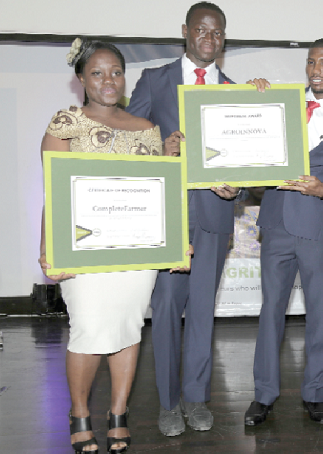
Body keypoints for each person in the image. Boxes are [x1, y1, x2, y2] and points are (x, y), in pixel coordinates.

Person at [39, 38, 164, 454]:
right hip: (84, 252)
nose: (108, 80)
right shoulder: (65, 124)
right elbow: (52, 194)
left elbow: (157, 195)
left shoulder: (147, 130)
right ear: (81, 79)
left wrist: (173, 246)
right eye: (97, 72)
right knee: (89, 331)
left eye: (115, 72)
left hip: (136, 252)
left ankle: (118, 414)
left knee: (129, 329)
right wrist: (48, 252)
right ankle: (79, 414)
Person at [125, 1, 240, 437]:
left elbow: (242, 164)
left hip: (214, 215)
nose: (209, 40)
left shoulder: (234, 91)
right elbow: (127, 145)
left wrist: (237, 188)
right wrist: (160, 151)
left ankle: (196, 398)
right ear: (186, 32)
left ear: (223, 38)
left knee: (203, 315)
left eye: (217, 33)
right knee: (169, 309)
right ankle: (169, 403)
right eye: (201, 31)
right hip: (168, 217)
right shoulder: (154, 81)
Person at [244, 38, 323, 426]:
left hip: (318, 227)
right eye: (311, 61)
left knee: (319, 317)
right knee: (270, 314)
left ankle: (315, 394)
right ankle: (263, 395)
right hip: (277, 223)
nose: (316, 69)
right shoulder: (280, 103)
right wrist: (252, 98)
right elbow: (246, 136)